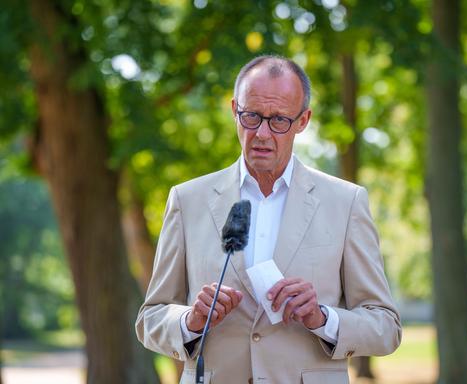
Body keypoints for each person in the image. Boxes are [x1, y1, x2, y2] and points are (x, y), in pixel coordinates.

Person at [136, 55, 401, 384]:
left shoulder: (346, 202)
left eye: (278, 120)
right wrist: (190, 320)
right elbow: (151, 318)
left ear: (303, 120)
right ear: (234, 109)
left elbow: (385, 326)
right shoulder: (187, 200)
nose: (261, 133)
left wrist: (323, 318)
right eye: (251, 117)